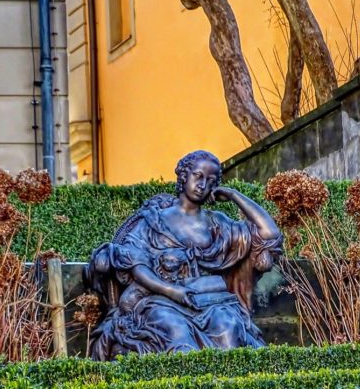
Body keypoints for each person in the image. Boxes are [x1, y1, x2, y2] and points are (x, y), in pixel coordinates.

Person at [84, 150, 283, 360]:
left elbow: (269, 234)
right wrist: (172, 291)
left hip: (210, 302)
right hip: (159, 300)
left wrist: (234, 195)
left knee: (229, 328)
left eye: (211, 180)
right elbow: (136, 264)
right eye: (198, 176)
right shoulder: (153, 221)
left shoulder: (219, 224)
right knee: (177, 332)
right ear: (184, 175)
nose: (203, 185)